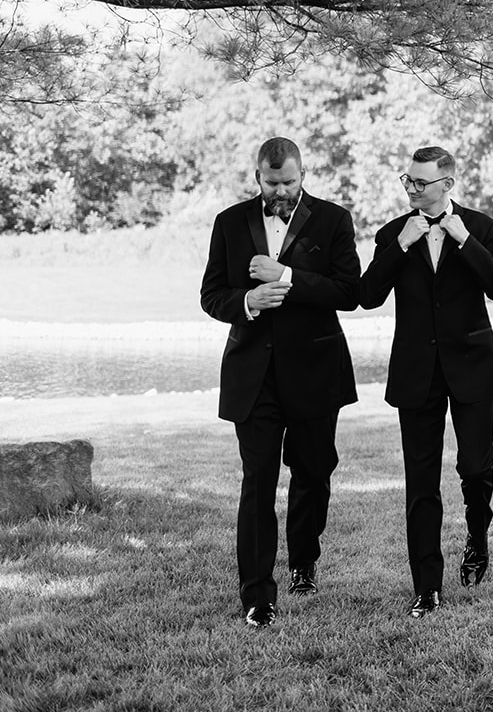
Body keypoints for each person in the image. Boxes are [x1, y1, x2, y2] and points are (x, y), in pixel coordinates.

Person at [200, 137, 360, 629]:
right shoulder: (230, 222)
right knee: (258, 481)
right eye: (272, 183)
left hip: (315, 370)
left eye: (289, 181)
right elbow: (211, 295)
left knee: (313, 474)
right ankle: (257, 595)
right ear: (257, 178)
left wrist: (287, 276)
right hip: (253, 376)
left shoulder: (333, 220)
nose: (281, 191)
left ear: (303, 173)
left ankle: (304, 562)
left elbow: (349, 292)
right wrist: (249, 303)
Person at [360, 145, 493, 619]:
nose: (410, 188)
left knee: (475, 466)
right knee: (421, 481)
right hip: (416, 372)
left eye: (420, 183)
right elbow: (366, 296)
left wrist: (465, 240)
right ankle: (426, 586)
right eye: (406, 180)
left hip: (473, 364)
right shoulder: (392, 233)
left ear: (447, 185)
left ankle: (478, 535)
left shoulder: (481, 227)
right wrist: (402, 244)